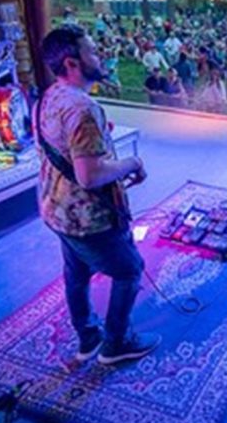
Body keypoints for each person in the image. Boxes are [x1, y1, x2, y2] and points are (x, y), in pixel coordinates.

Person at [35, 25, 158, 364]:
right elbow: (88, 176)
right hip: (87, 217)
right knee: (129, 270)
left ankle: (88, 338)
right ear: (73, 64)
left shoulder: (51, 95)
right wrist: (132, 162)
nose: (100, 54)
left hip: (55, 208)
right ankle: (116, 344)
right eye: (92, 51)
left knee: (76, 274)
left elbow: (66, 149)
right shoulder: (83, 109)